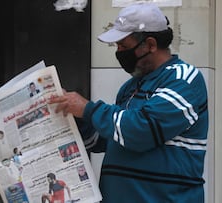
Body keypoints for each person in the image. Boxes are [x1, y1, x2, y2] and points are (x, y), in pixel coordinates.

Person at [49, 3, 208, 203]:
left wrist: (88, 109)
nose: (119, 52)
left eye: (124, 46)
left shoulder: (184, 79)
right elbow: (111, 138)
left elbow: (143, 130)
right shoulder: (130, 87)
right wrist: (75, 116)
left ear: (150, 44)